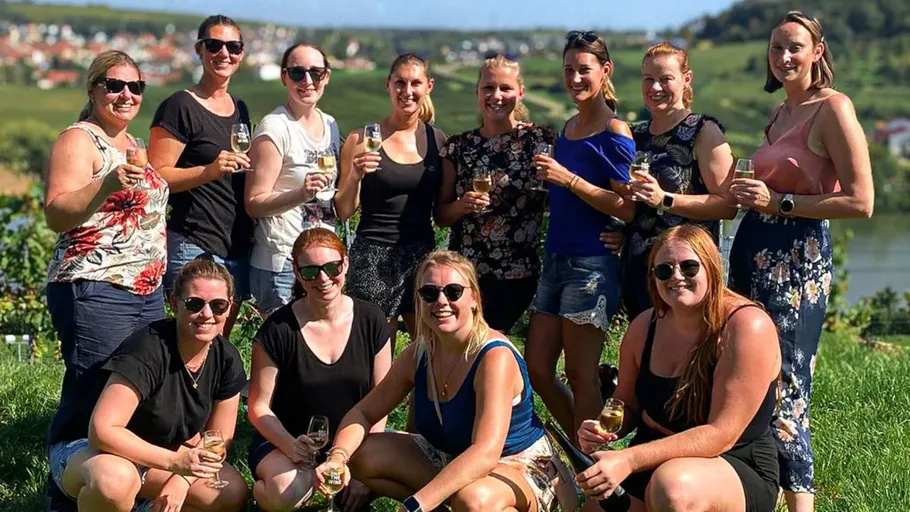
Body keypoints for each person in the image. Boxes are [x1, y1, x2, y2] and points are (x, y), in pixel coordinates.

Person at [728, 11, 873, 512]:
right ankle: (754, 492)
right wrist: (752, 197)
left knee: (787, 383)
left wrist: (779, 203)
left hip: (797, 260)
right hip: (753, 251)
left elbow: (861, 201)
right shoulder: (781, 113)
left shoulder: (833, 108)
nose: (784, 57)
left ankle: (802, 506)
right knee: (750, 374)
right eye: (776, 48)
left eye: (794, 47)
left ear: (817, 51)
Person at [315, 251, 567, 512]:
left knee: (474, 501)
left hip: (511, 464)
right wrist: (337, 457)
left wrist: (416, 504)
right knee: (362, 454)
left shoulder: (495, 357)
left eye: (454, 291)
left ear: (474, 299)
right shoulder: (419, 352)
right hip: (447, 456)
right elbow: (364, 412)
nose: (441, 301)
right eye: (429, 293)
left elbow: (485, 452)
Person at [576, 224, 781, 512]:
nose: (676, 277)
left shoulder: (747, 326)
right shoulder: (643, 327)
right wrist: (603, 430)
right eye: (664, 271)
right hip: (654, 455)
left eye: (689, 267)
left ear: (711, 268)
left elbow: (721, 434)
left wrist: (629, 459)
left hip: (730, 464)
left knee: (673, 487)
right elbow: (626, 404)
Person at [44, 51, 169, 501]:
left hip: (145, 292)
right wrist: (109, 184)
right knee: (96, 389)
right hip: (94, 286)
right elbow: (57, 214)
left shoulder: (131, 143)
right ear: (93, 89)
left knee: (134, 390)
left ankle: (122, 487)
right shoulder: (80, 140)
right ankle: (71, 488)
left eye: (135, 87)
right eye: (114, 85)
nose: (126, 94)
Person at [47, 257, 249, 512]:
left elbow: (218, 438)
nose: (207, 314)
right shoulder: (147, 349)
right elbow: (102, 431)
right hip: (91, 451)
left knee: (229, 492)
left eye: (218, 305)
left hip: (159, 457)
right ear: (174, 303)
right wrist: (175, 462)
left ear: (230, 307)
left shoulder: (226, 357)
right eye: (194, 303)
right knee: (115, 481)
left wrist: (182, 480)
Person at [526, 31, 635, 441]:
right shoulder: (569, 127)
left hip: (591, 264)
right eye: (569, 70)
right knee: (537, 366)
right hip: (554, 261)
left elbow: (627, 206)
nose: (574, 78)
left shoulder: (615, 131)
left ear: (605, 72)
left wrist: (568, 180)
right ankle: (584, 444)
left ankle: (588, 474)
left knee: (579, 373)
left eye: (583, 70)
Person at [247, 228, 393, 511]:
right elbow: (258, 408)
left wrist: (360, 467)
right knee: (286, 492)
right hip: (289, 443)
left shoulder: (372, 320)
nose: (323, 279)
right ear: (297, 273)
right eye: (311, 271)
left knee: (403, 464)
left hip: (354, 443)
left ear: (345, 264)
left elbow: (382, 402)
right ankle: (259, 496)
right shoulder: (277, 330)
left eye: (331, 267)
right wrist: (291, 446)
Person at [435, 54, 556, 334]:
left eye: (505, 88)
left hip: (517, 275)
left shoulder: (541, 140)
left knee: (487, 345)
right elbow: (441, 215)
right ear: (478, 91)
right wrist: (461, 206)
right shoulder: (458, 147)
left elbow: (563, 192)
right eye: (488, 88)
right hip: (465, 276)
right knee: (468, 348)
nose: (496, 96)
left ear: (520, 93)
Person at [149, 14, 253, 336]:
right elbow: (157, 176)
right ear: (199, 50)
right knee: (191, 342)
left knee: (218, 345)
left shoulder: (240, 108)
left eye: (233, 47)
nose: (224, 54)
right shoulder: (180, 105)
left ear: (242, 54)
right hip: (196, 241)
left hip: (236, 245)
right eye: (214, 45)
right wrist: (208, 171)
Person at [618, 41, 736, 319]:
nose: (655, 87)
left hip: (686, 272)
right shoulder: (634, 135)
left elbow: (728, 205)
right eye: (648, 79)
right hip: (639, 269)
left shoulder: (703, 132)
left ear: (686, 79)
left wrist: (665, 199)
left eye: (665, 79)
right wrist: (617, 227)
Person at [336, 53, 445, 337]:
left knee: (429, 347)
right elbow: (344, 210)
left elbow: (443, 211)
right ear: (388, 85)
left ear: (428, 87)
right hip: (372, 254)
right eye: (400, 83)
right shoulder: (359, 141)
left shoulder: (439, 140)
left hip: (421, 255)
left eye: (415, 83)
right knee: (376, 350)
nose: (407, 91)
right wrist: (355, 177)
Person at [245, 44, 341, 316]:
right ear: (284, 77)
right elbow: (254, 203)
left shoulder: (330, 125)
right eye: (298, 73)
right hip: (282, 264)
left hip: (322, 264)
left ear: (327, 77)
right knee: (283, 352)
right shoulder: (275, 128)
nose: (308, 81)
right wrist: (301, 193)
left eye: (316, 72)